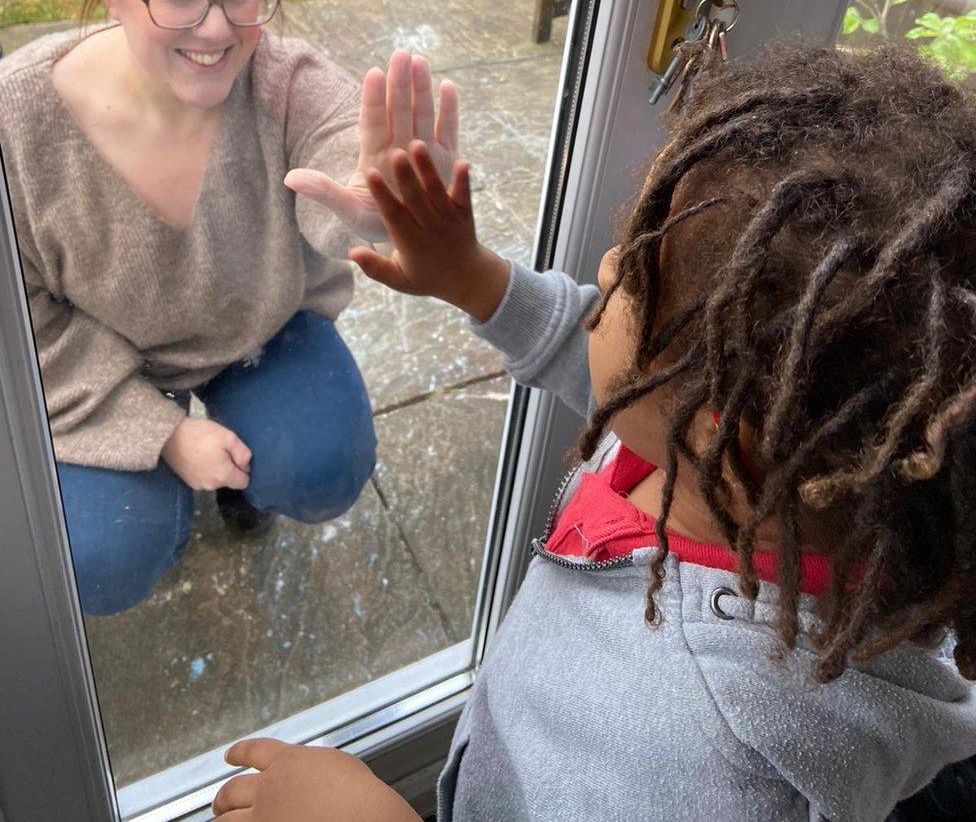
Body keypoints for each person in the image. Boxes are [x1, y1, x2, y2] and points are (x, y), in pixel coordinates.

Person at [214, 41, 976, 821]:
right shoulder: (803, 489)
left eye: (632, 286)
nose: (607, 268)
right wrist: (471, 275)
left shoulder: (679, 758)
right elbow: (626, 380)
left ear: (727, 437)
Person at [0, 0, 459, 616]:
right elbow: (19, 319)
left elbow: (342, 141)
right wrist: (161, 435)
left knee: (322, 470)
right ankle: (169, 511)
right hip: (98, 363)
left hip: (256, 330)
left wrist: (386, 198)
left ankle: (247, 480)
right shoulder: (19, 121)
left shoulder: (285, 82)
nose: (216, 30)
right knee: (102, 559)